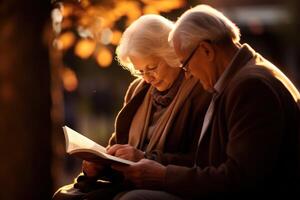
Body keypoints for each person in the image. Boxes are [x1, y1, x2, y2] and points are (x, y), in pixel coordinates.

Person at [111, 4, 300, 199]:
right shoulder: (240, 78)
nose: (187, 73)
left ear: (206, 50)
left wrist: (163, 176)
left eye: (185, 64)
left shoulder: (250, 87)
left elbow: (240, 180)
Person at [52, 14, 211, 200]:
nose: (147, 78)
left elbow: (201, 159)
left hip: (170, 187)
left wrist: (145, 157)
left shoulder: (200, 89)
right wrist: (98, 164)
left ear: (171, 54)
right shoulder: (138, 89)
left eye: (152, 67)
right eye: (140, 71)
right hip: (127, 181)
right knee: (63, 197)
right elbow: (117, 144)